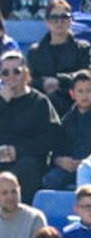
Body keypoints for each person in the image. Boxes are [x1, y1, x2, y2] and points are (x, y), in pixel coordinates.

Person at [0, 51, 58, 199]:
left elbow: (49, 138)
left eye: (17, 72)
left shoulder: (39, 102)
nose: (11, 76)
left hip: (27, 159)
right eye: (6, 72)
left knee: (27, 168)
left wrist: (17, 151)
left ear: (26, 74)